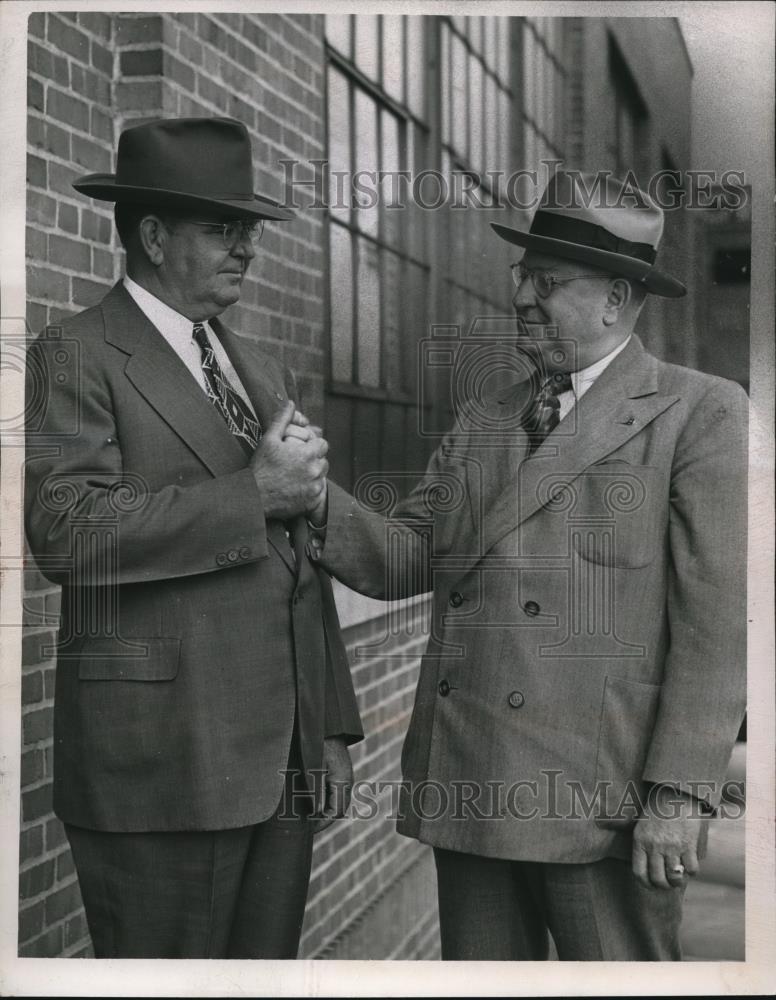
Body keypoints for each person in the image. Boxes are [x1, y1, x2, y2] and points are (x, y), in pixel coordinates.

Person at [307, 171, 748, 960]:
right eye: (521, 278)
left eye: (547, 283)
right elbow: (409, 555)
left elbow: (716, 625)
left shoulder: (697, 412)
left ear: (615, 296)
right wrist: (310, 497)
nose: (520, 299)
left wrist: (680, 792)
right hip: (474, 781)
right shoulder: (488, 416)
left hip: (603, 803)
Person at [24, 116, 362, 959]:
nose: (248, 247)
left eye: (250, 229)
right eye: (223, 227)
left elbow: (300, 560)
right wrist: (252, 494)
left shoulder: (257, 366)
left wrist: (326, 730)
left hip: (279, 768)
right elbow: (66, 535)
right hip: (163, 773)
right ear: (150, 234)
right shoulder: (76, 354)